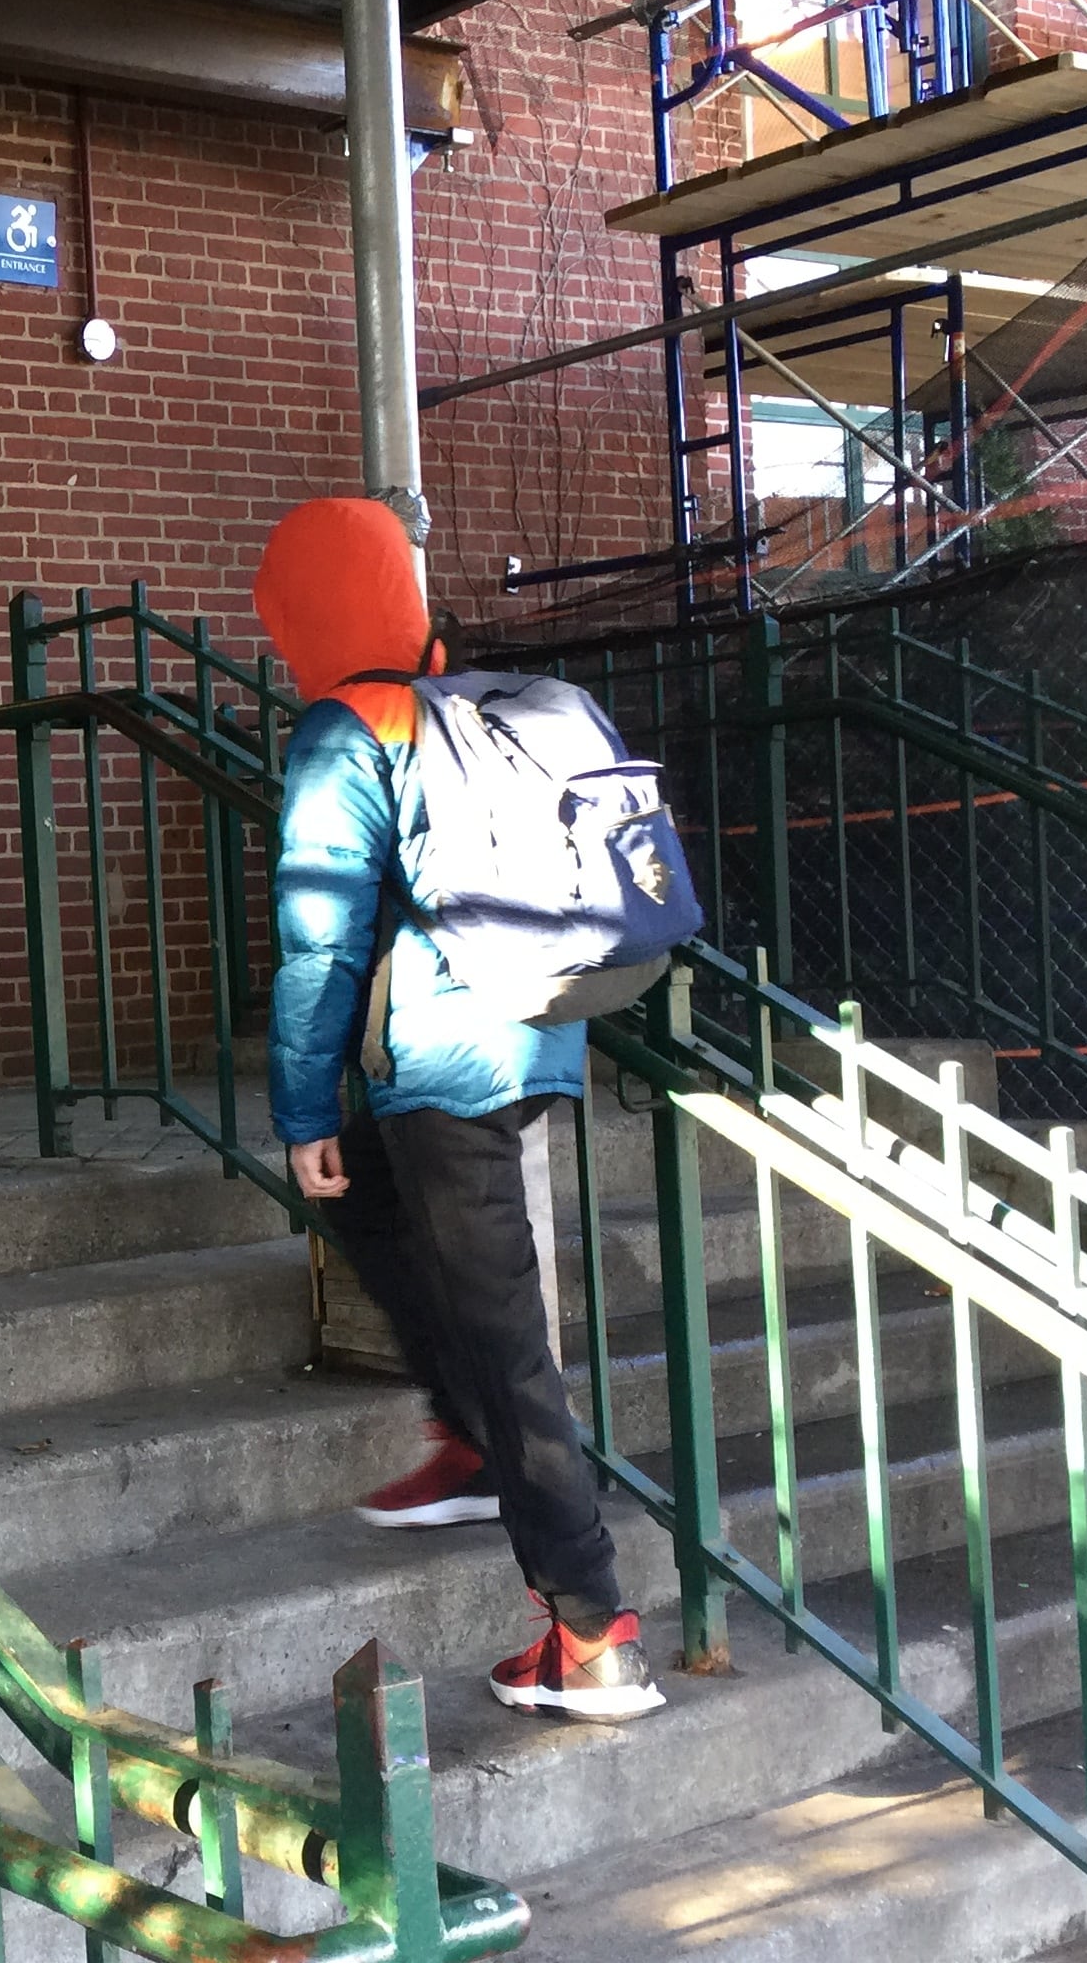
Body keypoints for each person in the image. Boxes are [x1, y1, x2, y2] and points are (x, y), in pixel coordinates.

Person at [254, 495, 664, 1721]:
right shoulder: (485, 702)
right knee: (379, 1215)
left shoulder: (347, 727)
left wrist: (298, 1102)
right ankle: (470, 1440)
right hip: (532, 1037)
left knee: (507, 1337)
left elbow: (318, 937)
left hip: (440, 1063)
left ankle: (592, 1633)